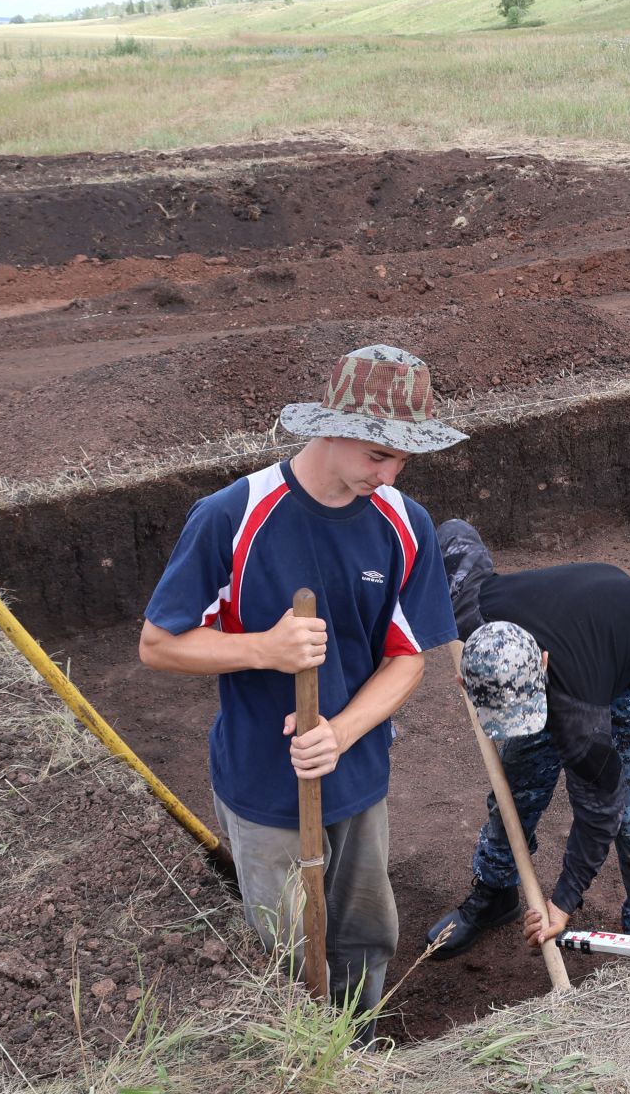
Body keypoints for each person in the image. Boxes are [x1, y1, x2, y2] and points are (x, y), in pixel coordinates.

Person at [139, 345, 463, 1020]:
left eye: (404, 457)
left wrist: (340, 734)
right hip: (263, 783)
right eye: (379, 453)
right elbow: (159, 646)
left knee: (366, 936)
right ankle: (305, 1060)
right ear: (331, 426)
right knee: (287, 951)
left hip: (357, 772)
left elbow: (407, 658)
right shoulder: (233, 516)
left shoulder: (405, 524)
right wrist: (263, 647)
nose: (391, 471)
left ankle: (360, 1045)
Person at [426, 519, 630, 956]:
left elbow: (600, 809)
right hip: (584, 625)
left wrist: (563, 901)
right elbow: (453, 532)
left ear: (542, 665)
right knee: (513, 783)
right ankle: (496, 895)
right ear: (463, 679)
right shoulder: (469, 610)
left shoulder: (578, 713)